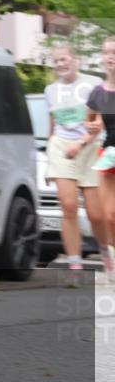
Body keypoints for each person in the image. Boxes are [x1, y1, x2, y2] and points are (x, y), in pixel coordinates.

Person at [44, 44, 106, 286]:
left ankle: (105, 254)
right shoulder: (50, 90)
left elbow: (98, 123)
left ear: (76, 60)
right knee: (68, 206)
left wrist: (81, 143)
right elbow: (52, 126)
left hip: (89, 148)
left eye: (64, 59)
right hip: (61, 148)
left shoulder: (93, 84)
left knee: (96, 215)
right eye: (56, 61)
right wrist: (51, 149)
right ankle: (74, 265)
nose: (60, 64)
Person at [87, 35, 115, 283]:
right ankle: (112, 261)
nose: (110, 57)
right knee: (109, 216)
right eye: (107, 52)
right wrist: (93, 128)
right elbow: (91, 121)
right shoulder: (98, 92)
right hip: (108, 154)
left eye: (114, 53)